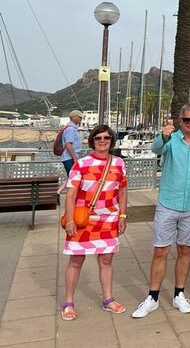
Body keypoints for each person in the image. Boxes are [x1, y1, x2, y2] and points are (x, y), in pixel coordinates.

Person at [132, 104, 190, 318]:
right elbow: (155, 149)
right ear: (180, 120)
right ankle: (152, 297)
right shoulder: (170, 140)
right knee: (160, 250)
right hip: (168, 204)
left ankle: (179, 293)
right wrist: (163, 135)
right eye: (187, 120)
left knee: (186, 251)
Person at [61, 125, 128, 320]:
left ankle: (108, 299)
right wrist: (70, 219)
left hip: (109, 218)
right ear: (92, 140)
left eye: (107, 138)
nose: (102, 140)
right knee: (76, 260)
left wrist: (122, 216)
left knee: (106, 259)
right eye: (98, 137)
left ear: (111, 141)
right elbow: (71, 194)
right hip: (83, 219)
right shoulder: (81, 164)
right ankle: (68, 302)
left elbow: (122, 191)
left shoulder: (119, 164)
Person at [58, 110, 83, 194]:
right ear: (73, 117)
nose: (81, 119)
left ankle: (58, 192)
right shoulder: (71, 129)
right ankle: (73, 197)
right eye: (79, 117)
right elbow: (68, 144)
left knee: (71, 178)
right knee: (74, 179)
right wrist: (74, 157)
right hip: (70, 158)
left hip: (68, 157)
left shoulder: (70, 128)